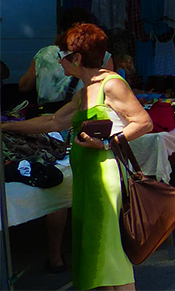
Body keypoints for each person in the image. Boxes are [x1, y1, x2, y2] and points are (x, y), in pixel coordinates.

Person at [3, 23, 153, 290]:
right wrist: (5, 126)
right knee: (96, 254)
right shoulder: (85, 90)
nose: (58, 61)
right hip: (87, 177)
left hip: (105, 177)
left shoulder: (111, 84)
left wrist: (105, 143)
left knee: (110, 255)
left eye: (62, 55)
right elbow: (53, 121)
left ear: (77, 58)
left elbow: (144, 122)